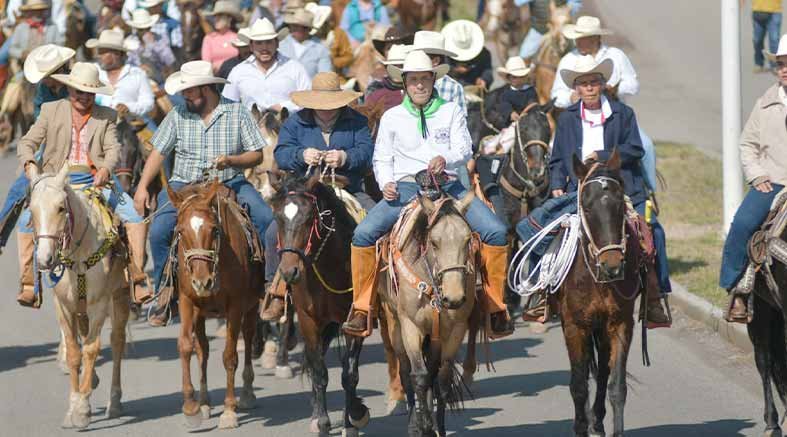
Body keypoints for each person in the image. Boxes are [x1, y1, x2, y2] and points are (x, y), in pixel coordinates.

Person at [341, 50, 514, 339]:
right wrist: (386, 182)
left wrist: (444, 158)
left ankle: (495, 306)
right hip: (407, 187)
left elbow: (464, 148)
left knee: (496, 231)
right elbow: (381, 158)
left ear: (433, 80)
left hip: (448, 185)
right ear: (404, 83)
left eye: (424, 79)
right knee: (363, 234)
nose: (419, 85)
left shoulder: (451, 110)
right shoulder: (392, 117)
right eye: (413, 80)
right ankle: (362, 307)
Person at [517, 56, 671, 327]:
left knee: (653, 232)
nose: (589, 88)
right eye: (583, 84)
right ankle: (539, 292)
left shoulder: (623, 114)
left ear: (602, 85)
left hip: (619, 189)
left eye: (594, 82)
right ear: (576, 89)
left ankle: (655, 298)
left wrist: (600, 154)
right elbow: (557, 159)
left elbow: (635, 148)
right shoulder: (567, 119)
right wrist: (555, 185)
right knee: (537, 228)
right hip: (580, 191)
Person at [133, 60, 273, 325]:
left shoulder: (237, 112)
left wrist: (231, 160)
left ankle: (267, 285)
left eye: (190, 90)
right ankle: (166, 289)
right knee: (160, 230)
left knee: (266, 220)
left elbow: (256, 155)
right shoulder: (178, 115)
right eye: (184, 90)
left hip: (229, 182)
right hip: (183, 185)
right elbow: (159, 152)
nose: (185, 95)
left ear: (207, 88)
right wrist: (141, 187)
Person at [16, 63, 149, 306]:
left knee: (134, 218)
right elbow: (27, 143)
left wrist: (107, 169)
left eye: (89, 93)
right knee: (26, 223)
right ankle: (29, 283)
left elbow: (113, 149)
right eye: (79, 92)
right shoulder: (50, 109)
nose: (84, 98)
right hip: (56, 180)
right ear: (69, 90)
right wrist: (30, 164)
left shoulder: (107, 115)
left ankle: (137, 276)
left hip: (94, 179)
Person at [261, 71, 374, 320]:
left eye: (330, 104)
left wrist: (345, 157)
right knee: (272, 234)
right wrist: (301, 155)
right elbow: (281, 153)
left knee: (374, 227)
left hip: (346, 187)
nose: (325, 110)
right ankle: (277, 292)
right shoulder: (295, 123)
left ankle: (371, 293)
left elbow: (367, 152)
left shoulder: (356, 121)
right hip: (304, 191)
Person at [722, 35, 787, 322]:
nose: (784, 69)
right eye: (780, 64)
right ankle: (737, 288)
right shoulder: (766, 103)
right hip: (773, 180)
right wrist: (757, 173)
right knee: (744, 224)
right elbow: (747, 144)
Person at [0, 44, 73, 275]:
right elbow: (43, 119)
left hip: (81, 141)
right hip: (51, 143)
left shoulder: (77, 84)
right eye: (46, 76)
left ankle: (129, 251)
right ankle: (2, 234)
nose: (49, 81)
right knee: (20, 188)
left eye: (51, 75)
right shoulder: (43, 89)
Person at [223, 18, 311, 112]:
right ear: (251, 47)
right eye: (259, 43)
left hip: (288, 124)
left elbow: (308, 99)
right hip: (250, 125)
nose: (264, 48)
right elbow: (228, 105)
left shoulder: (295, 68)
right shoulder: (238, 71)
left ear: (277, 44)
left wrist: (283, 108)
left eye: (269, 42)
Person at [86, 29, 156, 119]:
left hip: (128, 124)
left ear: (117, 54)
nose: (98, 55)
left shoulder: (137, 74)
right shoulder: (92, 70)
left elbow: (148, 102)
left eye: (102, 52)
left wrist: (129, 108)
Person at [409, 30, 466, 116]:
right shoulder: (408, 83)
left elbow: (460, 121)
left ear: (436, 61)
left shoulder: (453, 88)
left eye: (422, 58)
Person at [515, 0, 581, 60]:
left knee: (579, 52)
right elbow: (517, 2)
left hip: (563, 29)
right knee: (524, 55)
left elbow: (575, 3)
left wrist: (567, 9)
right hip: (539, 30)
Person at [124, 9, 176, 84]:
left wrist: (152, 45)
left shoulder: (159, 39)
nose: (144, 31)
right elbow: (127, 64)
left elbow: (169, 60)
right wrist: (138, 68)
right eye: (140, 29)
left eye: (147, 28)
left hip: (159, 81)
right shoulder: (130, 41)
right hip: (137, 81)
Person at [278, 8, 331, 78]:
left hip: (311, 88)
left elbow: (325, 77)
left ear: (309, 29)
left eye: (304, 27)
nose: (299, 29)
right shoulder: (280, 46)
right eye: (295, 26)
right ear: (290, 26)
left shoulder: (321, 48)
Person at [306, 3, 354, 81]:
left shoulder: (338, 34)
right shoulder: (308, 37)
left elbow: (348, 56)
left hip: (336, 77)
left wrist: (332, 61)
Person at [442, 20, 493, 90]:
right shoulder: (445, 54)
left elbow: (488, 70)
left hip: (473, 87)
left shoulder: (484, 54)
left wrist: (484, 79)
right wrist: (454, 71)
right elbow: (440, 69)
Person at [202, 0, 243, 74]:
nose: (216, 19)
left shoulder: (239, 37)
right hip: (216, 77)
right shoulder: (209, 39)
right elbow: (206, 64)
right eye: (215, 16)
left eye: (220, 16)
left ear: (229, 18)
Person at [364, 44, 409, 112]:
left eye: (401, 66)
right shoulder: (376, 93)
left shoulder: (416, 91)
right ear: (387, 68)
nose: (397, 69)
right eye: (394, 66)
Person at [746, 0, 783, 72]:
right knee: (757, 40)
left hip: (774, 11)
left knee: (774, 40)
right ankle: (759, 63)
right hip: (757, 11)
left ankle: (775, 65)